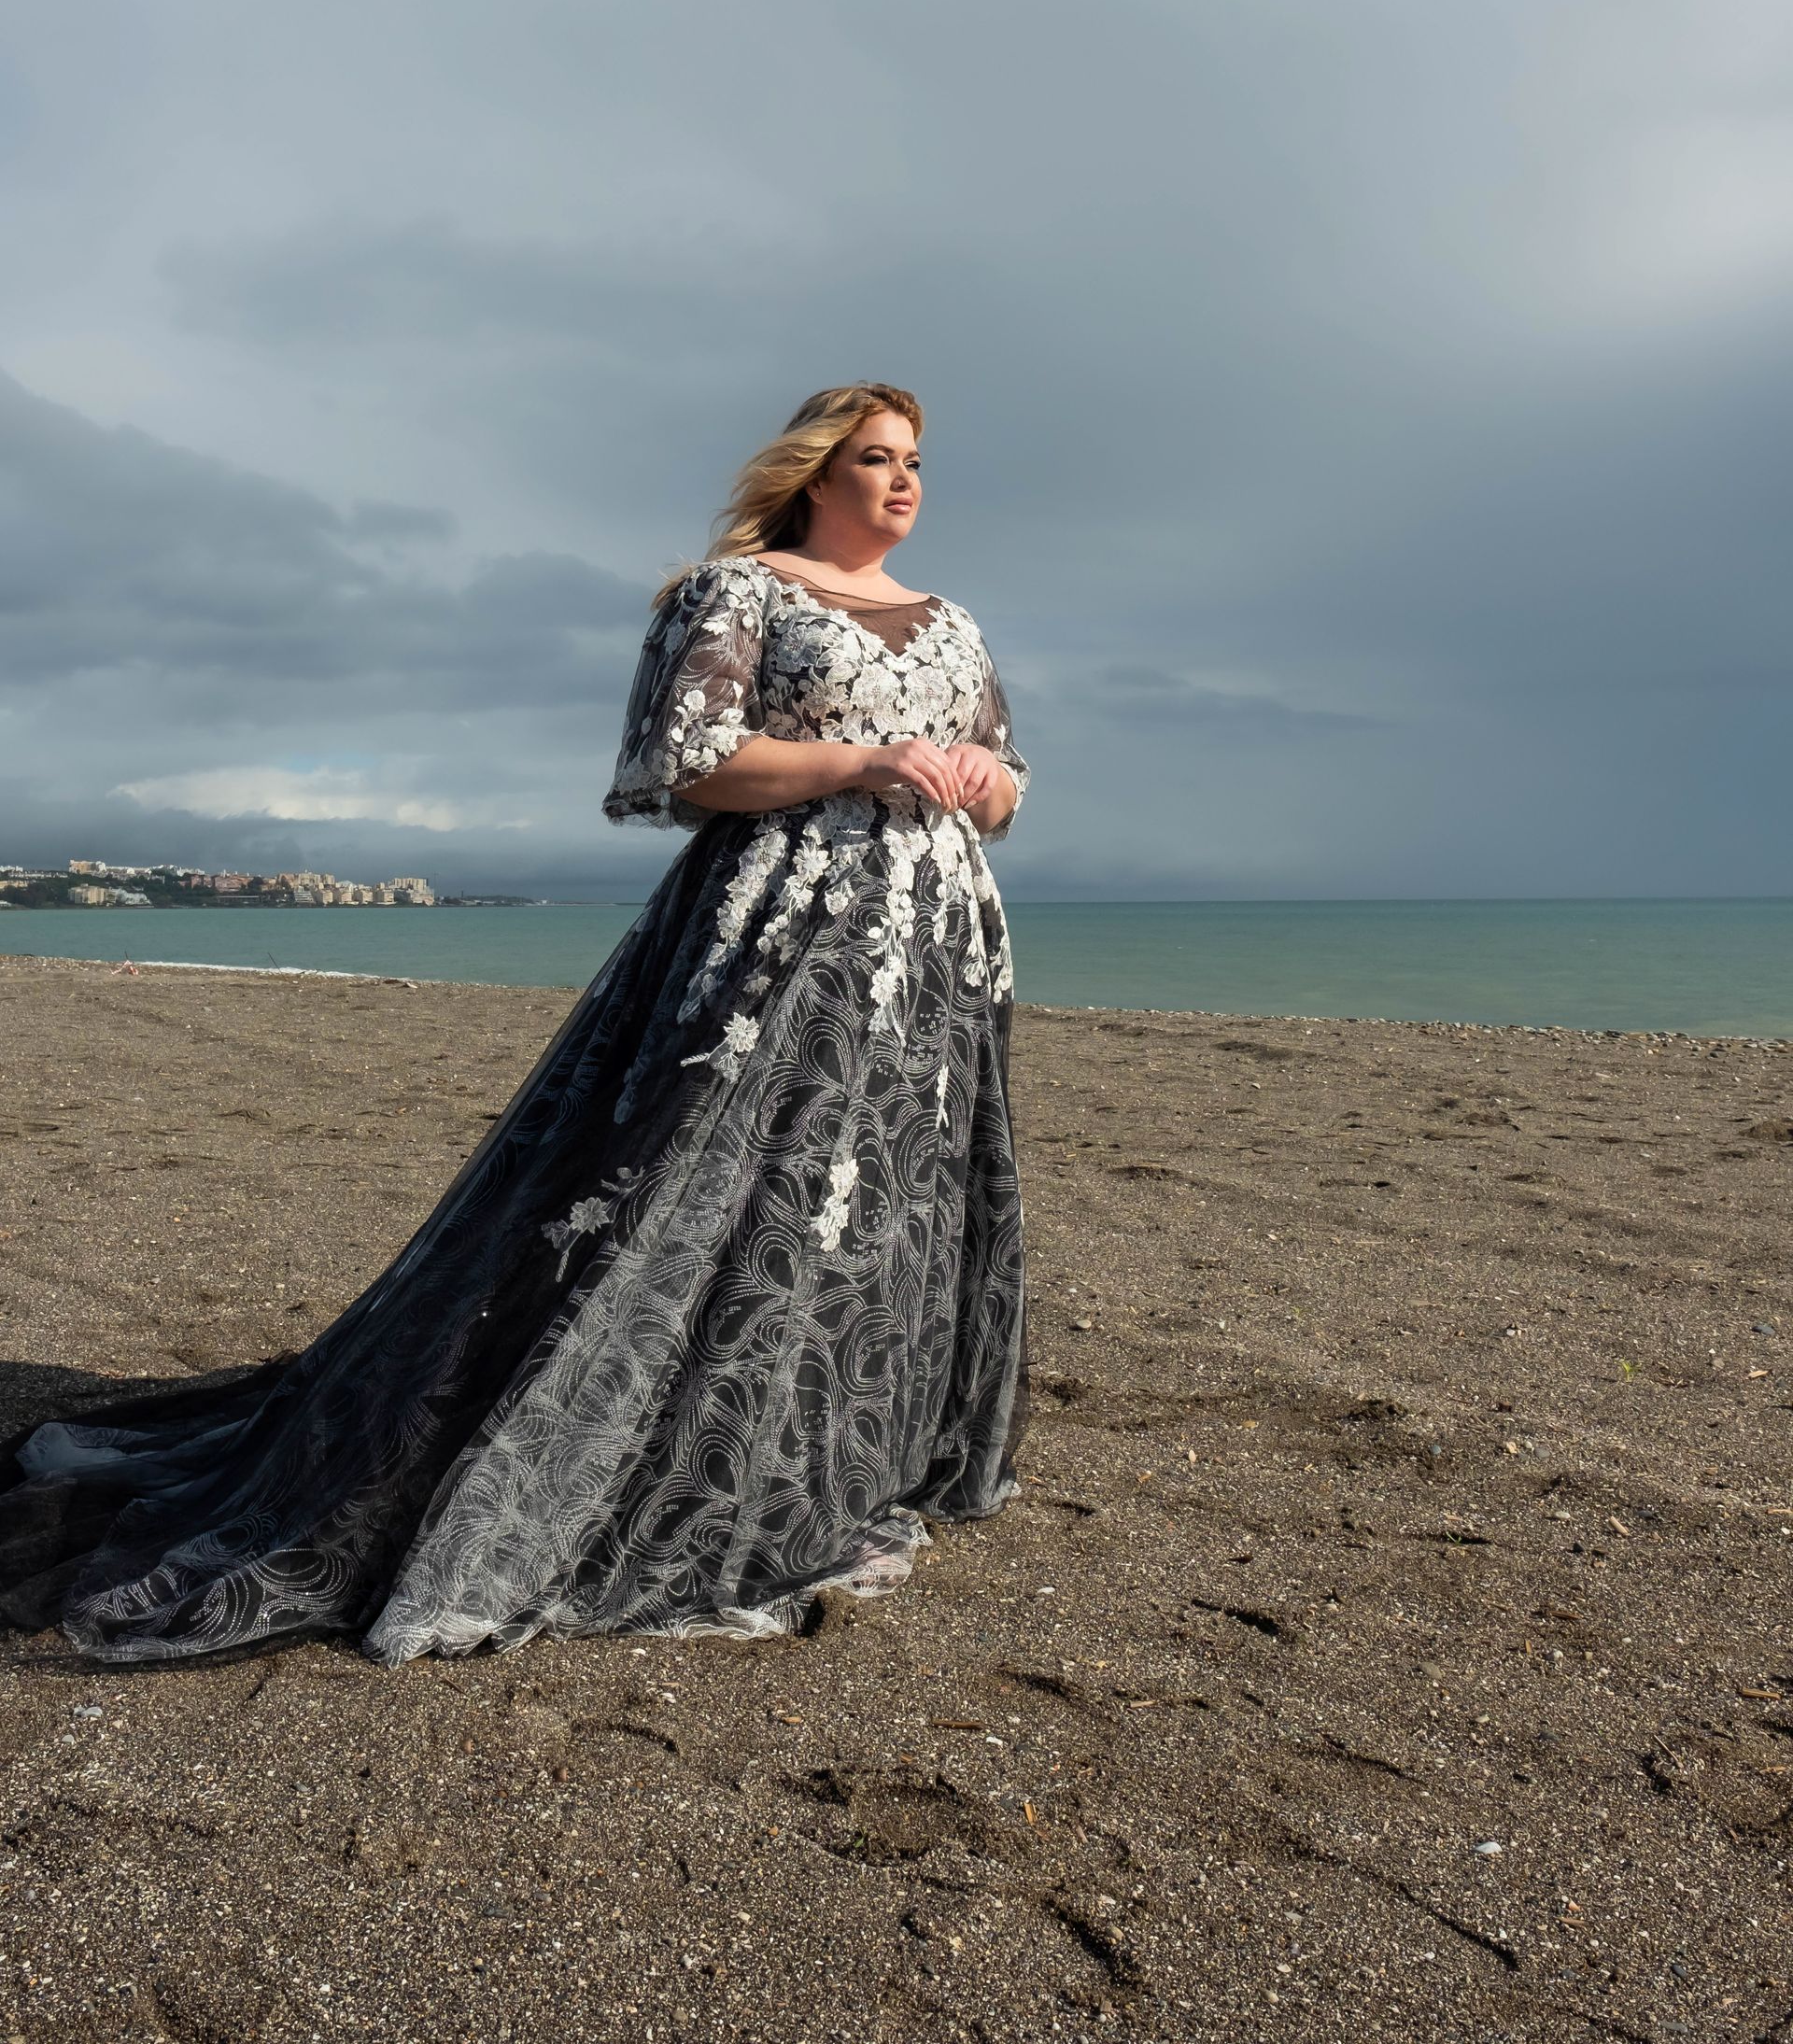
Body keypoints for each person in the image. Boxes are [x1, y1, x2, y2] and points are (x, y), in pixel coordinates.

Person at [0, 383, 1030, 1662]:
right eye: (875, 457)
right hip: (779, 930)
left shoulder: (953, 622)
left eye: (915, 460)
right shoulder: (740, 593)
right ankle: (654, 1462)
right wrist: (862, 761)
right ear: (816, 474)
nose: (904, 479)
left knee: (885, 1198)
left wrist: (982, 780)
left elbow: (1006, 783)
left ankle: (832, 1458)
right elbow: (683, 761)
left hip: (932, 949)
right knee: (714, 1184)